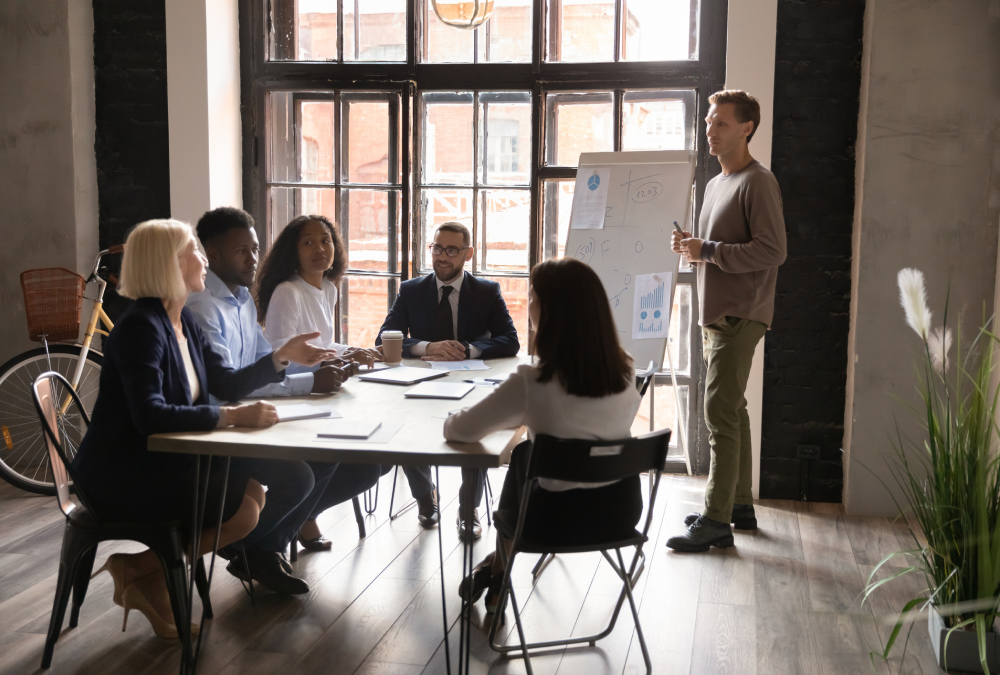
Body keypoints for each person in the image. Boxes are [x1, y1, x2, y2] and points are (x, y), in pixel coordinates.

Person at [75, 219, 336, 637]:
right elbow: (150, 415)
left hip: (166, 459)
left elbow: (225, 383)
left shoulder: (183, 321)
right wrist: (232, 418)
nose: (202, 259)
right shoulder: (141, 327)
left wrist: (280, 357)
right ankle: (144, 571)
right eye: (194, 252)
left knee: (250, 495)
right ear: (169, 264)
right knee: (245, 506)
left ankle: (144, 571)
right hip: (123, 473)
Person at [186, 207, 387, 591]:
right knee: (300, 474)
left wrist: (314, 373)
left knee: (362, 463)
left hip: (253, 412)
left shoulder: (242, 298)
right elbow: (233, 384)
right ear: (210, 253)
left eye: (255, 249)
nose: (252, 259)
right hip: (224, 425)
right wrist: (309, 383)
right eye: (241, 250)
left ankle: (262, 545)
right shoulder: (202, 308)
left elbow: (268, 362)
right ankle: (257, 546)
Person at [444, 257, 642, 611]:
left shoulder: (532, 383)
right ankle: (496, 567)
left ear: (548, 309)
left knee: (527, 455)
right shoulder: (627, 370)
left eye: (532, 296)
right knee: (524, 455)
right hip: (620, 513)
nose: (529, 303)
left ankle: (497, 568)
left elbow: (460, 430)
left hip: (549, 522)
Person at [666, 89, 787, 553]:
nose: (710, 131)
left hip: (741, 314)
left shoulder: (759, 181)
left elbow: (773, 251)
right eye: (709, 123)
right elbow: (714, 251)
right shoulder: (717, 184)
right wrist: (694, 249)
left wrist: (708, 251)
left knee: (718, 412)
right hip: (716, 313)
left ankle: (715, 521)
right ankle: (738, 507)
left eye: (720, 123)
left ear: (747, 128)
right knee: (733, 409)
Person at [376, 222, 520, 540]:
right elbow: (384, 338)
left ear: (467, 254)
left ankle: (469, 508)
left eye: (452, 250)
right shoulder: (411, 290)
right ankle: (426, 498)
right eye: (438, 248)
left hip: (471, 382)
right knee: (406, 427)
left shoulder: (486, 291)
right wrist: (428, 347)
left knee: (476, 432)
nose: (443, 257)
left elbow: (511, 340)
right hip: (420, 382)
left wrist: (467, 349)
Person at [256, 214, 392, 545]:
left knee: (378, 462)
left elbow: (324, 345)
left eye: (326, 240)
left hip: (323, 393)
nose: (320, 248)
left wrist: (356, 351)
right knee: (362, 464)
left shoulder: (327, 287)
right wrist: (342, 359)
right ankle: (274, 537)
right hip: (295, 398)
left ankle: (306, 515)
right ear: (294, 251)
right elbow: (282, 356)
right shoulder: (288, 292)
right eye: (308, 242)